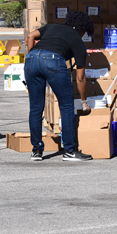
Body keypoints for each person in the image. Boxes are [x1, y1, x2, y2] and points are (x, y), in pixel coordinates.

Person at [24, 11, 95, 162]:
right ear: (82, 29)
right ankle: (69, 150)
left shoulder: (51, 27)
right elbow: (80, 77)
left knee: (36, 107)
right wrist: (84, 102)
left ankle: (36, 150)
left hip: (31, 59)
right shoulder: (78, 40)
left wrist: (32, 56)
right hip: (53, 60)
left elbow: (30, 36)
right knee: (67, 106)